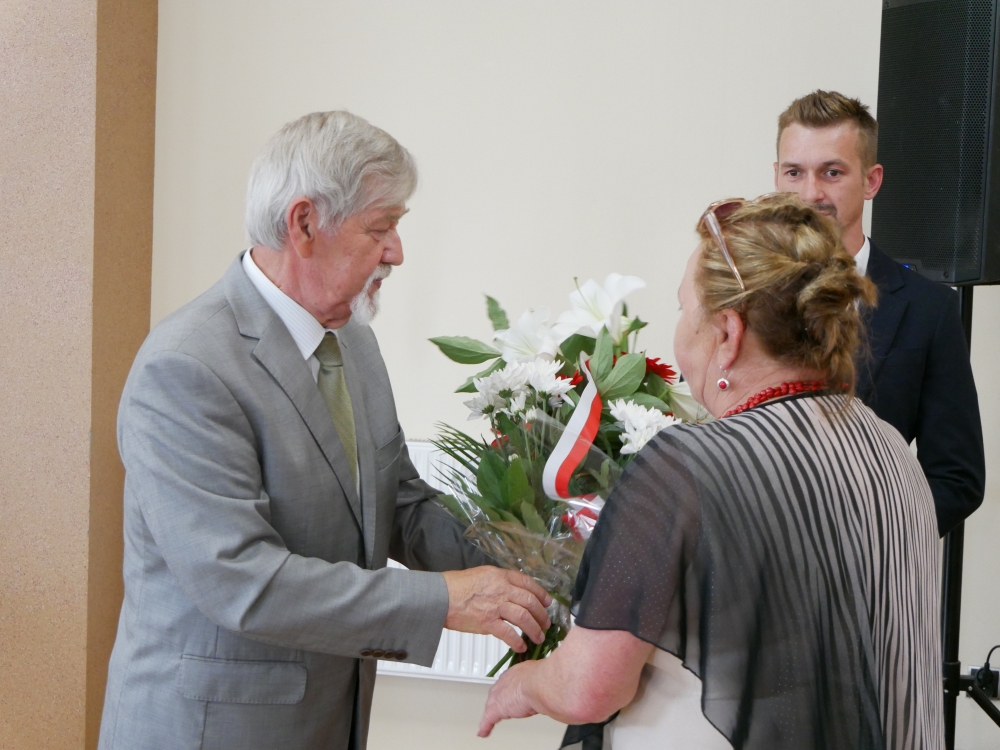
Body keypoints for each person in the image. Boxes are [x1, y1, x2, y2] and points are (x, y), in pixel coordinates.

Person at [98, 111, 552, 750]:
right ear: (305, 224)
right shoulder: (185, 367)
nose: (397, 252)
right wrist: (440, 601)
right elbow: (243, 580)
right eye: (381, 227)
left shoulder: (353, 341)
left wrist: (535, 561)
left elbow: (401, 506)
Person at [479, 195, 944, 749]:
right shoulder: (894, 452)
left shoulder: (687, 466)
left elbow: (588, 688)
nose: (679, 333)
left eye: (683, 310)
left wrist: (523, 684)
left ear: (728, 333)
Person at [774, 90, 984, 536]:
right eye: (795, 172)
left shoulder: (931, 309)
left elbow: (957, 478)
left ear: (871, 181)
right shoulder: (741, 292)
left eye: (832, 172)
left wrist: (871, 544)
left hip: (869, 568)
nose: (810, 193)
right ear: (776, 176)